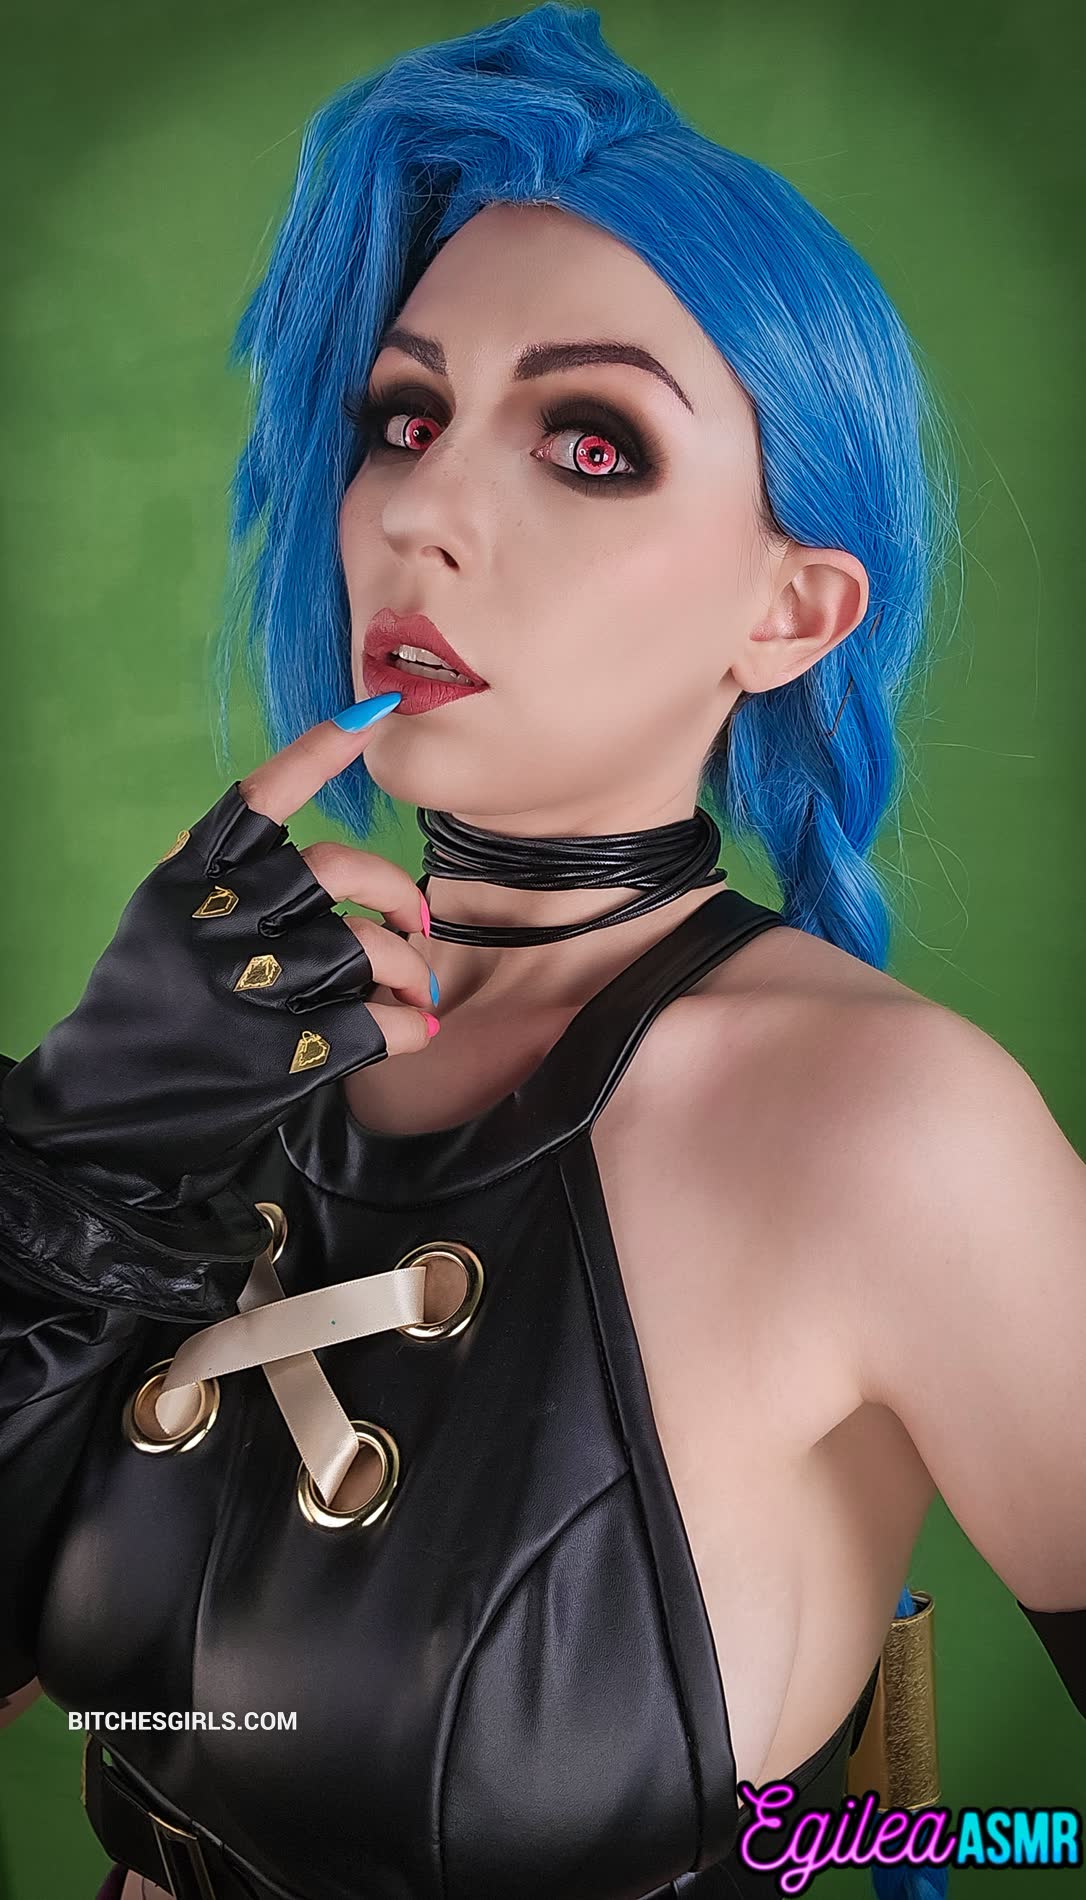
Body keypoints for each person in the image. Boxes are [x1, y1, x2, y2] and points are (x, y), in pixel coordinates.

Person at [1, 8, 1082, 1900]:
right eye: (403, 420)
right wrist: (79, 1154)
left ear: (789, 610)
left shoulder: (888, 1127)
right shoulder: (217, 1038)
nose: (420, 509)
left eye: (589, 444)